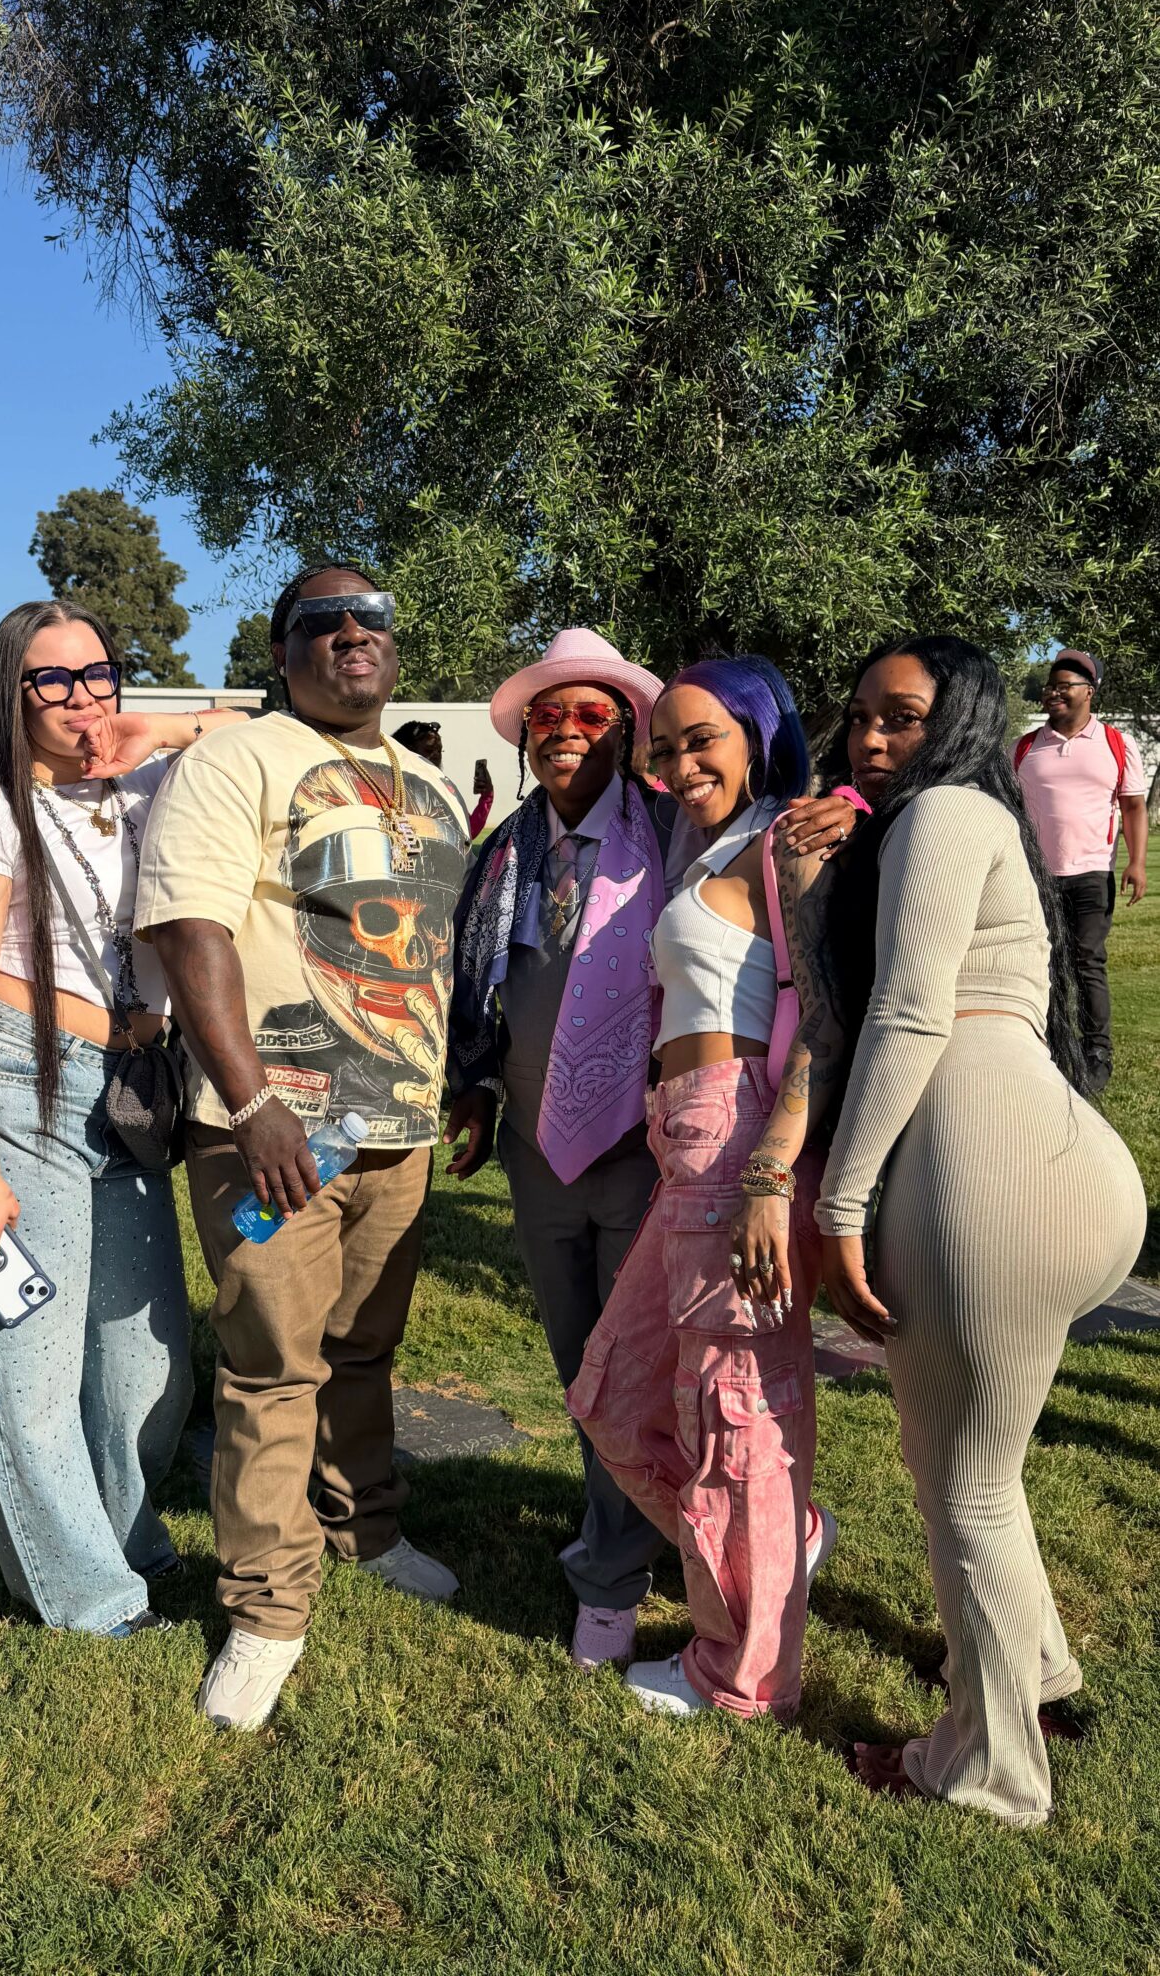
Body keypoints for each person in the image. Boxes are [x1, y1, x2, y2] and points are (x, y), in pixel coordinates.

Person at [447, 634, 859, 1673]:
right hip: (543, 1145)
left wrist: (852, 804)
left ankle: (616, 1580)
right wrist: (478, 1085)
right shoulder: (505, 851)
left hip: (667, 1144)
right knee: (594, 1380)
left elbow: (811, 886)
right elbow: (483, 984)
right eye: (547, 716)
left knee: (707, 1394)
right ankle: (746, 1543)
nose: (568, 732)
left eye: (594, 715)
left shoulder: (673, 828)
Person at [813, 637, 1144, 1826]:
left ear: (956, 720)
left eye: (900, 715)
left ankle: (990, 1767)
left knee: (968, 1488)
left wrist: (839, 1203)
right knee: (976, 1473)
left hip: (988, 1178)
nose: (871, 736)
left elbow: (910, 1013)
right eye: (860, 713)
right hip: (1044, 1167)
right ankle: (1035, 1671)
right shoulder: (965, 814)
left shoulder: (943, 812)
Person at [137, 562, 470, 1731]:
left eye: (370, 616)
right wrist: (253, 1102)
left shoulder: (432, 786)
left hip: (399, 1131)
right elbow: (192, 931)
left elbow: (435, 953)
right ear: (282, 652)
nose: (350, 634)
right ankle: (267, 1607)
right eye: (319, 622)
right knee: (273, 1365)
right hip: (275, 1138)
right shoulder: (236, 760)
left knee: (365, 1348)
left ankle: (364, 1524)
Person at [0, 601, 246, 1637]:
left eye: (98, 673)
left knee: (151, 1363)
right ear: (12, 692)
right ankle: (87, 1595)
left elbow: (259, 728)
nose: (81, 698)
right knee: (29, 1359)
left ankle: (119, 1533)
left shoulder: (149, 781)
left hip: (135, 1089)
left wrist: (158, 729)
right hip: (23, 1083)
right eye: (52, 680)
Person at [565, 657, 843, 1720]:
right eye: (666, 748)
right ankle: (780, 1538)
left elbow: (828, 1016)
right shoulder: (708, 846)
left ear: (759, 735)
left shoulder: (789, 839)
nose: (681, 766)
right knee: (613, 1396)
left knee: (735, 1417)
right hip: (685, 1137)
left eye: (703, 740)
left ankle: (744, 1675)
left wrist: (772, 1166)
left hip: (738, 1140)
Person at [1012, 649, 1147, 1091]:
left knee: (1087, 962)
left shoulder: (1116, 744)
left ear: (1088, 692)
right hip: (1037, 876)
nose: (1053, 693)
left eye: (1063, 686)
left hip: (1092, 872)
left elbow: (1133, 806)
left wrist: (1137, 862)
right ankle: (1049, 1044)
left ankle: (1096, 1053)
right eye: (1050, 686)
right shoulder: (1025, 748)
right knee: (1044, 963)